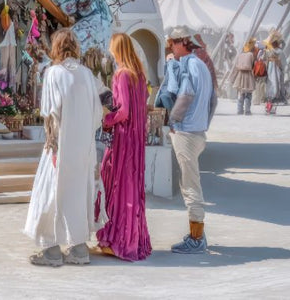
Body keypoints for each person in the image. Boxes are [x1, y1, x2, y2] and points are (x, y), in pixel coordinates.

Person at [23, 28, 102, 267]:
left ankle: (51, 250)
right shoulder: (87, 74)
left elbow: (49, 113)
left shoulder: (53, 73)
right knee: (77, 195)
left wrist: (53, 146)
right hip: (84, 149)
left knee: (49, 193)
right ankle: (79, 248)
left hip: (60, 145)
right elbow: (98, 113)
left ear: (55, 49)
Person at [96, 33, 152, 261]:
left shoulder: (121, 75)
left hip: (123, 139)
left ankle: (118, 239)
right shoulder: (139, 75)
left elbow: (124, 111)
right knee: (131, 188)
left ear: (118, 50)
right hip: (136, 139)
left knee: (116, 185)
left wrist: (106, 119)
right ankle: (132, 239)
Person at [165, 26, 216, 254]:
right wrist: (203, 123)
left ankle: (196, 238)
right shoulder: (201, 65)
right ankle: (196, 234)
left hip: (186, 132)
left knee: (190, 187)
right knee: (190, 184)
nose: (171, 48)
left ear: (182, 42)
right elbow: (213, 100)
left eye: (173, 44)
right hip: (198, 132)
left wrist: (174, 121)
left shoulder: (188, 65)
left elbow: (185, 95)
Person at [230, 39, 258, 116]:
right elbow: (253, 65)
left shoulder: (240, 55)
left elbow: (236, 66)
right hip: (248, 75)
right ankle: (247, 111)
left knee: (241, 94)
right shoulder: (251, 55)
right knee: (248, 94)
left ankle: (239, 110)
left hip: (240, 76)